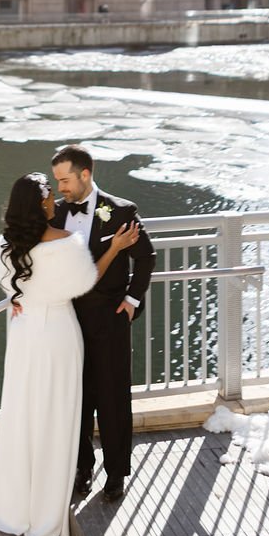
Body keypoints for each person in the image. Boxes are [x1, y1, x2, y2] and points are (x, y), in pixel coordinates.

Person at [0, 172, 140, 536]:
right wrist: (115, 249)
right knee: (57, 417)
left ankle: (16, 502)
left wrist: (16, 298)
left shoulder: (1, 247)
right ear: (41, 204)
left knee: (23, 414)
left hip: (23, 334)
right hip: (58, 334)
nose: (55, 200)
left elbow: (14, 289)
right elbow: (86, 283)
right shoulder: (66, 242)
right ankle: (47, 507)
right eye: (50, 195)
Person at [51, 145, 156, 503]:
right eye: (57, 181)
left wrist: (131, 301)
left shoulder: (121, 211)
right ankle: (82, 468)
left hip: (111, 321)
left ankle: (116, 473)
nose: (61, 188)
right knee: (75, 399)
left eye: (65, 180)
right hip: (68, 320)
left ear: (85, 175)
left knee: (112, 399)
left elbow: (146, 257)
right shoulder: (56, 213)